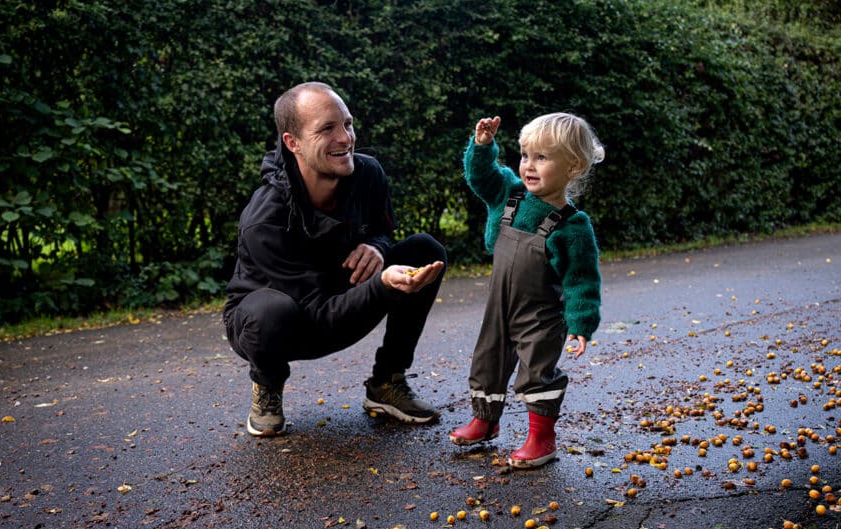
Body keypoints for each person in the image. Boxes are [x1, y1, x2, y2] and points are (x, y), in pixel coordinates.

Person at [224, 82, 446, 436]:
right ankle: (267, 385)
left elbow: (383, 230)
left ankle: (386, 383)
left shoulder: (368, 173)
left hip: (342, 293)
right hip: (288, 323)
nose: (345, 138)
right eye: (327, 128)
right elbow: (317, 318)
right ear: (292, 142)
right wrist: (381, 284)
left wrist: (377, 247)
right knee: (269, 312)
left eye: (347, 124)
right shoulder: (265, 220)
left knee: (424, 251)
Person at [450, 113, 604, 468]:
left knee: (537, 372)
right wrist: (482, 147)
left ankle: (541, 438)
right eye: (525, 155)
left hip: (541, 315)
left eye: (542, 157)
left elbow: (582, 280)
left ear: (573, 167)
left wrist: (581, 323)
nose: (529, 166)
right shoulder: (510, 193)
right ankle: (485, 420)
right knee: (487, 361)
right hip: (499, 305)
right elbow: (481, 177)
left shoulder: (573, 226)